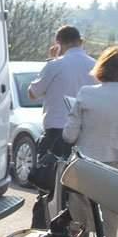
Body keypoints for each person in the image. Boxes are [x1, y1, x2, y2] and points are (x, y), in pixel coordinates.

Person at [25, 25, 96, 188]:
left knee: (49, 184)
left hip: (57, 131)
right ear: (81, 41)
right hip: (88, 132)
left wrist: (51, 60)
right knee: (82, 187)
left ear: (58, 43)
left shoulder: (55, 65)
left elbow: (33, 93)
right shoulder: (97, 66)